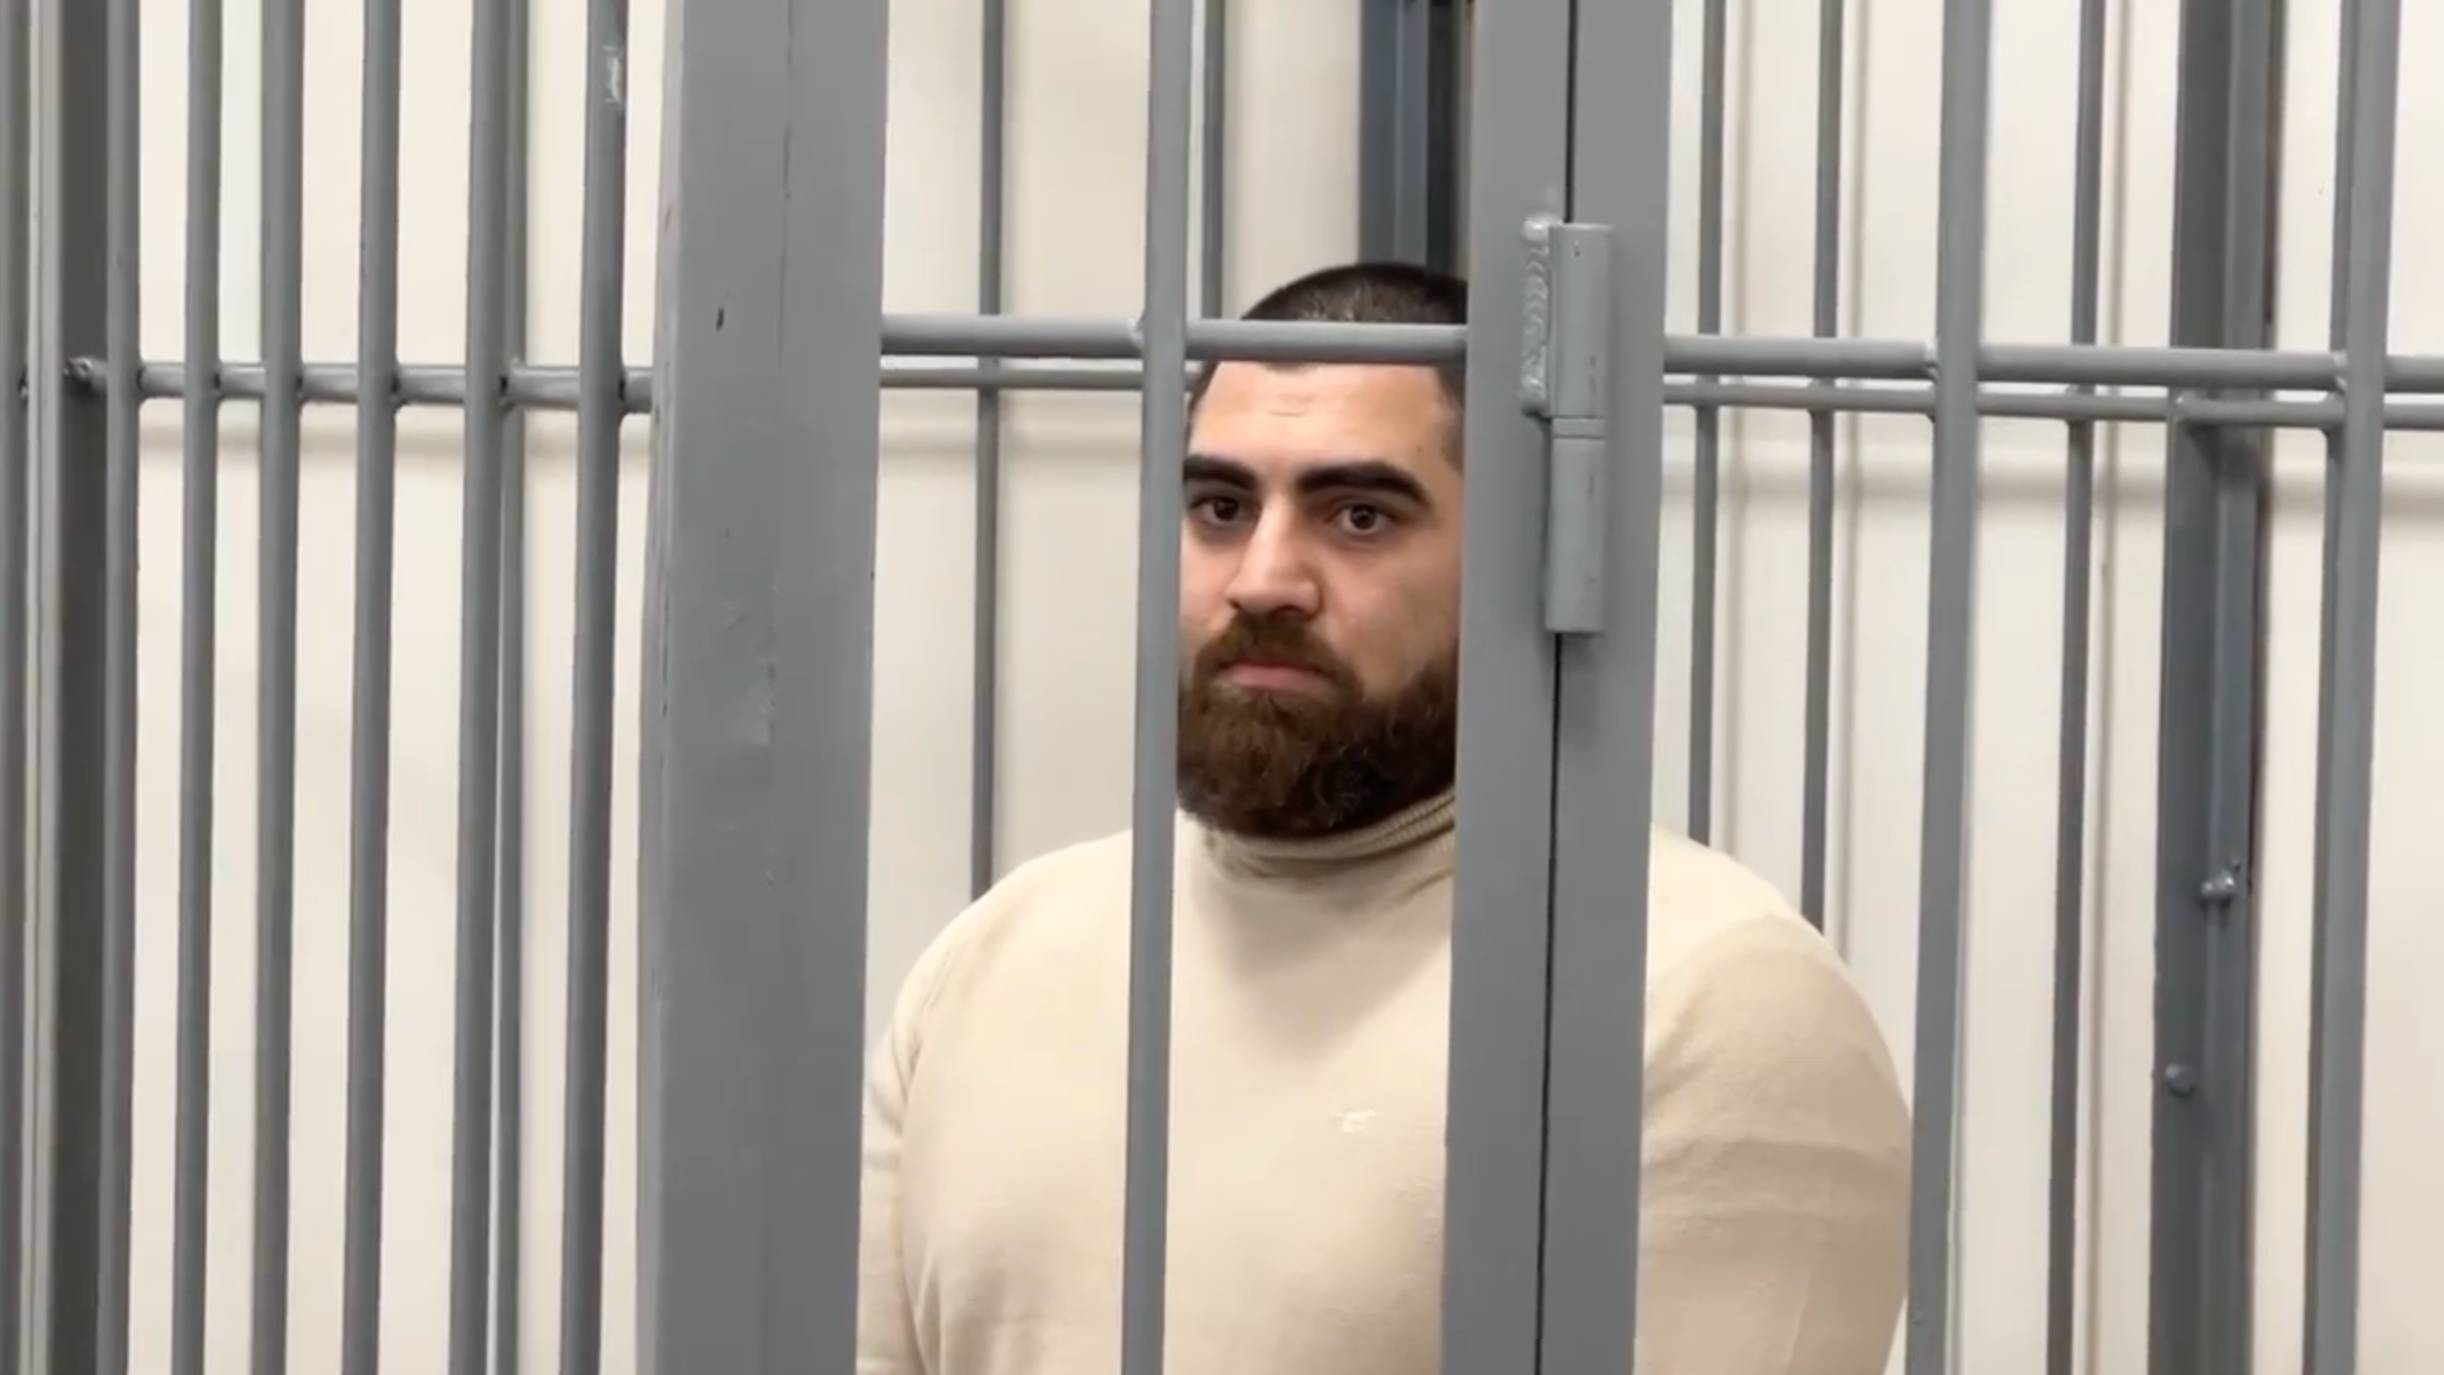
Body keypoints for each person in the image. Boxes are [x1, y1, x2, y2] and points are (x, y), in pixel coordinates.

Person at [856, 262, 1911, 1375]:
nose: (1263, 579)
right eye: (1220, 508)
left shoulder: (1705, 996)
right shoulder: (996, 953)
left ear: (1515, 559)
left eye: (1358, 515)